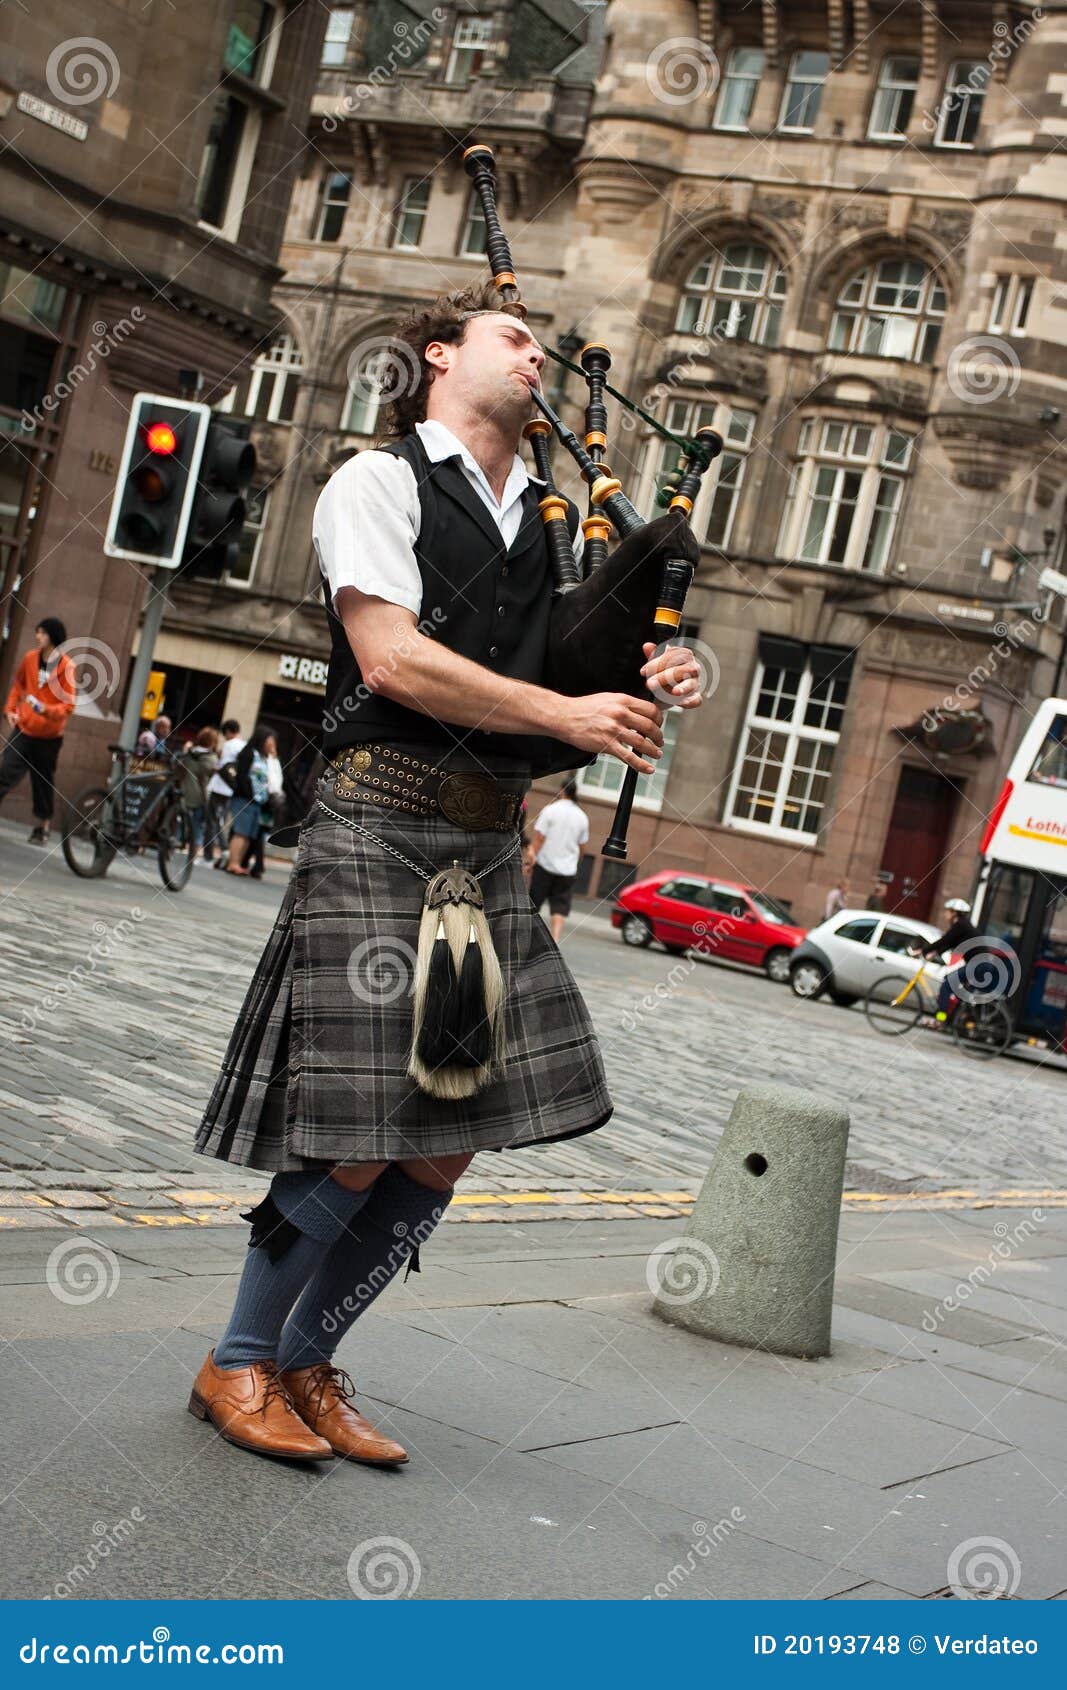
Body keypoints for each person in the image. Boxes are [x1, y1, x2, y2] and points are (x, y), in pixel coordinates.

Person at [189, 278, 704, 1467]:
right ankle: (237, 1358)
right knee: (364, 1126)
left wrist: (650, 663)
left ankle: (307, 1360)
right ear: (439, 355)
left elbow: (572, 659)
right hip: (380, 819)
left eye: (544, 349)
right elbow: (395, 659)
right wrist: (564, 714)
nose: (537, 359)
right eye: (514, 338)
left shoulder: (543, 517)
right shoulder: (378, 483)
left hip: (480, 843)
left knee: (443, 1140)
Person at [0, 617, 77, 844]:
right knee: (5, 771)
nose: (38, 636)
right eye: (37, 632)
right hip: (24, 729)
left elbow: (68, 706)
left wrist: (45, 709)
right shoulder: (30, 658)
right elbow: (18, 685)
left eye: (42, 633)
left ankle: (42, 827)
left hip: (49, 737)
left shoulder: (67, 667)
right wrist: (10, 710)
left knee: (42, 781)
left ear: (52, 636)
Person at [528, 778, 589, 944]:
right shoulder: (582, 817)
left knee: (534, 903)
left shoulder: (550, 810)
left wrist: (530, 859)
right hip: (567, 869)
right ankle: (554, 940)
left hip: (545, 864)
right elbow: (582, 846)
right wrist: (577, 863)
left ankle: (528, 935)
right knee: (559, 907)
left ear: (562, 791)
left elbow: (539, 838)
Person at [921, 897, 983, 1019]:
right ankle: (953, 1020)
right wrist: (935, 953)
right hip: (979, 964)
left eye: (947, 911)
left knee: (947, 985)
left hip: (978, 965)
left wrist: (925, 950)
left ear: (954, 912)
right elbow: (950, 943)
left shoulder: (960, 925)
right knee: (955, 988)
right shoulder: (964, 926)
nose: (945, 914)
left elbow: (945, 940)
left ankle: (940, 1019)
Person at [223, 725, 270, 877]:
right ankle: (233, 863)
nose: (271, 743)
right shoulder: (248, 753)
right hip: (245, 798)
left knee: (248, 834)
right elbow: (242, 776)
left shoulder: (262, 755)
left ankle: (239, 862)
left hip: (257, 800)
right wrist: (249, 794)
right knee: (241, 832)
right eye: (269, 740)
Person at [245, 731, 285, 880]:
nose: (272, 747)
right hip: (266, 798)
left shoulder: (272, 760)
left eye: (273, 744)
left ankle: (256, 865)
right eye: (270, 743)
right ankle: (255, 864)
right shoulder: (266, 760)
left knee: (259, 832)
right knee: (258, 832)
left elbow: (275, 781)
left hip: (268, 800)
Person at [206, 719, 243, 867]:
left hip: (220, 787)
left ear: (228, 731)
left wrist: (215, 767)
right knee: (220, 820)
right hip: (233, 790)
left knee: (212, 820)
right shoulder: (244, 745)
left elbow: (223, 767)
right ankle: (224, 849)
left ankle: (211, 855)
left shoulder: (229, 745)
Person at [185, 726, 220, 861]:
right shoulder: (210, 758)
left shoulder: (188, 752)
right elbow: (212, 774)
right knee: (198, 824)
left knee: (182, 820)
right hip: (201, 795)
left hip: (185, 792)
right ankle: (194, 850)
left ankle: (174, 844)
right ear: (212, 742)